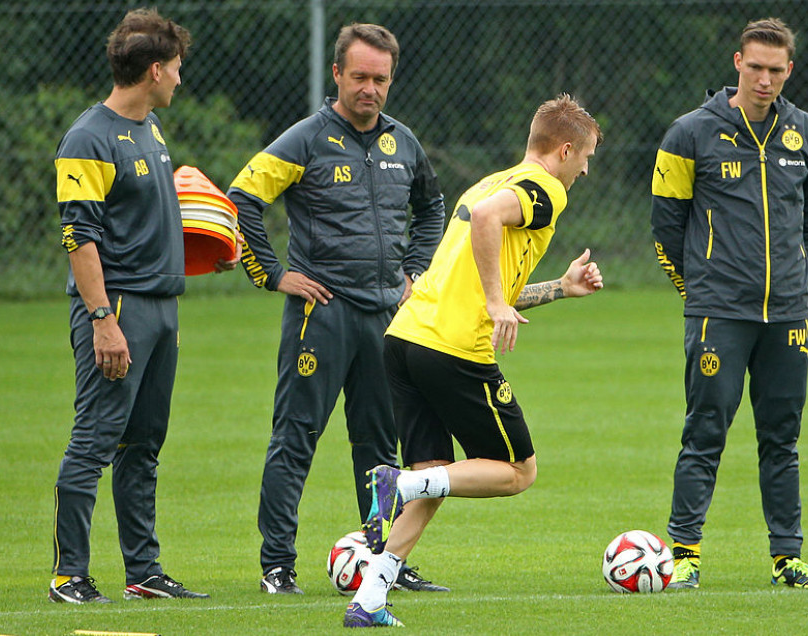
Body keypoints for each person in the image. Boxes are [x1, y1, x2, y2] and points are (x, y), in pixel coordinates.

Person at [342, 94, 604, 628]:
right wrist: (493, 302)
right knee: (517, 471)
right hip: (452, 347)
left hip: (405, 339)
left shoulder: (490, 180)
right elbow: (487, 231)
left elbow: (493, 274)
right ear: (566, 148)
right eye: (587, 156)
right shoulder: (545, 189)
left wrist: (560, 288)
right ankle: (397, 485)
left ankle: (370, 598)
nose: (586, 168)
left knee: (439, 476)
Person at [225, 23, 447, 595]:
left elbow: (432, 207)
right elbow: (241, 198)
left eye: (380, 78)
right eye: (359, 77)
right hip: (320, 315)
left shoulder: (404, 143)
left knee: (379, 449)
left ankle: (385, 560)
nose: (369, 88)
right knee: (295, 438)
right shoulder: (304, 139)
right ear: (337, 75)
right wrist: (274, 275)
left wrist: (414, 271)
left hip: (385, 317)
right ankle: (277, 565)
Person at [50, 7, 233, 603]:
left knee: (144, 444)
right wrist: (103, 320)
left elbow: (149, 219)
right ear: (155, 70)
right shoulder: (87, 137)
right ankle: (69, 575)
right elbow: (80, 237)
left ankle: (143, 572)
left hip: (162, 308)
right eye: (177, 69)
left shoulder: (150, 128)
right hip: (118, 310)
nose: (182, 79)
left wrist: (207, 250)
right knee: (95, 440)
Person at [650, 17, 808, 590]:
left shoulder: (807, 134)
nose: (764, 79)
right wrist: (701, 294)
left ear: (789, 71)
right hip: (717, 313)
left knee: (782, 436)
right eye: (755, 67)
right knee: (704, 432)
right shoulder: (689, 134)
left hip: (787, 315)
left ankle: (788, 558)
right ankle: (685, 554)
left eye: (776, 70)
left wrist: (794, 272)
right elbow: (665, 228)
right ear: (737, 62)